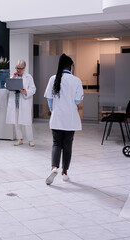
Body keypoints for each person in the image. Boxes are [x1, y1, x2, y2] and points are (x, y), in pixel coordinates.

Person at [44, 53, 84, 185]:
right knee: (67, 145)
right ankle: (65, 172)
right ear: (70, 66)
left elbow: (49, 99)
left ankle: (54, 167)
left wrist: (54, 110)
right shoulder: (76, 80)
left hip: (57, 116)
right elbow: (78, 100)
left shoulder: (53, 79)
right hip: (71, 118)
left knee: (56, 143)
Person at [6, 60, 36, 147]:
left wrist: (25, 91)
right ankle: (20, 139)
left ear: (24, 68)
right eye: (17, 68)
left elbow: (33, 89)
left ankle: (30, 140)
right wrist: (13, 78)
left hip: (24, 101)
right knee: (16, 122)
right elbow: (6, 86)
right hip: (15, 102)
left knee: (27, 122)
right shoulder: (14, 76)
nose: (18, 70)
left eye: (20, 68)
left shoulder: (28, 77)